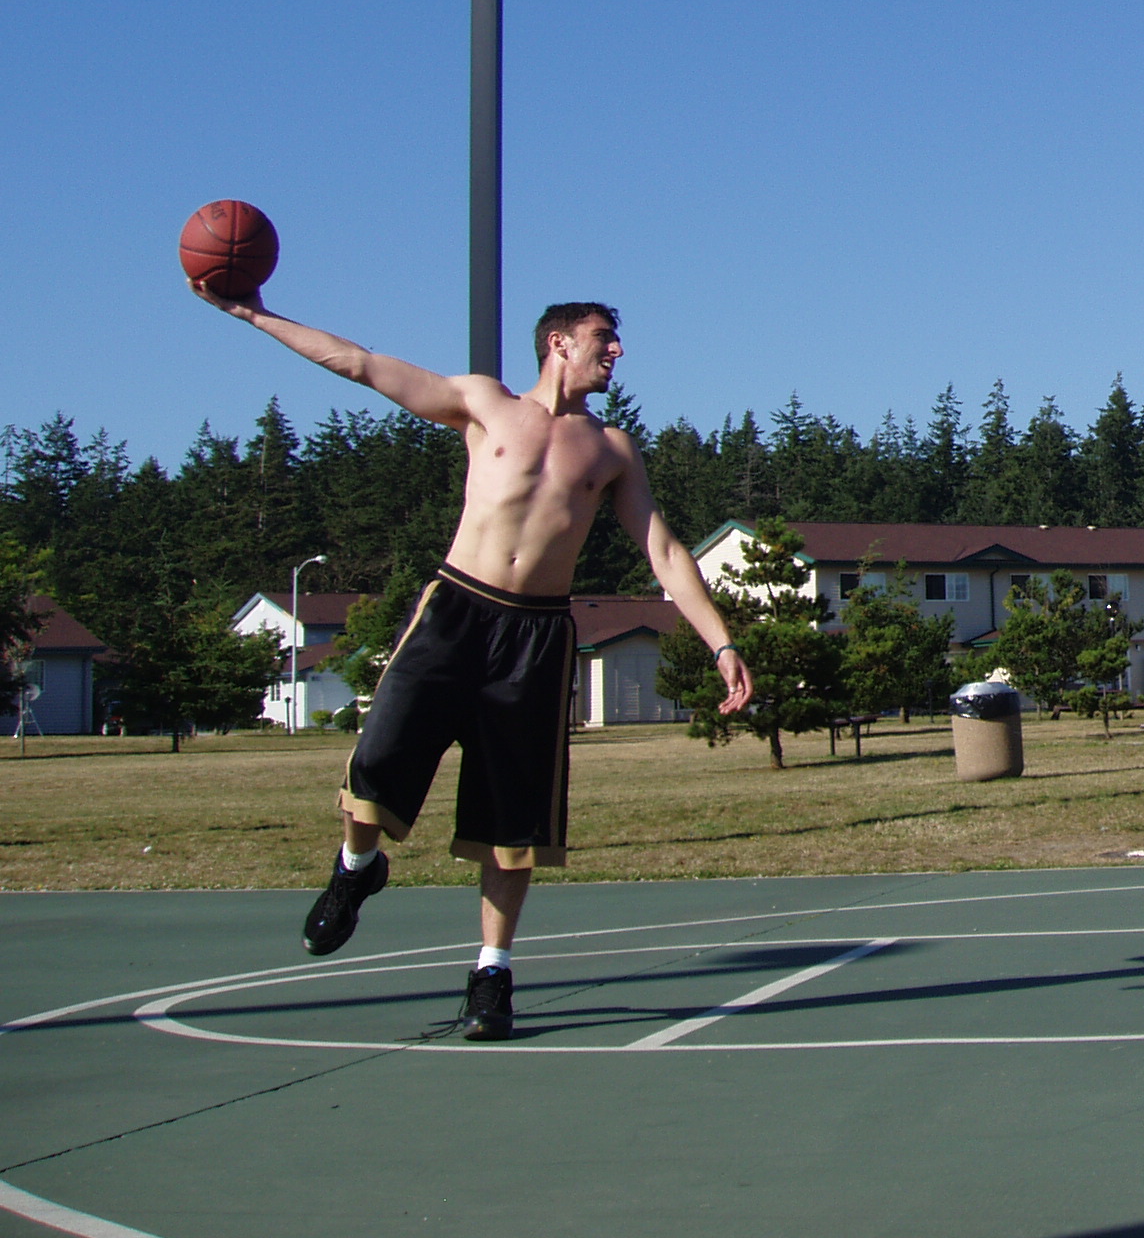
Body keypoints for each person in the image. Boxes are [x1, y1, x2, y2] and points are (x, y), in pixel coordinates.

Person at [194, 285, 754, 1040]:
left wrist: (720, 640)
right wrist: (253, 314)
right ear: (559, 343)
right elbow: (358, 364)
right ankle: (358, 869)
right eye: (602, 337)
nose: (615, 351)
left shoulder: (612, 449)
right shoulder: (485, 403)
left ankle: (492, 973)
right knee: (378, 762)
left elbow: (662, 550)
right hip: (456, 612)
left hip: (535, 637)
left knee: (512, 819)